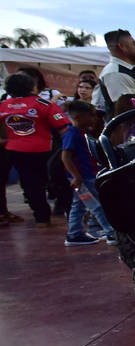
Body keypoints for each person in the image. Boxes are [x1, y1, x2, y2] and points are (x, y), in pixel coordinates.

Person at [0, 72, 69, 227]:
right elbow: (63, 128)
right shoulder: (44, 104)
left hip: (15, 151)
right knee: (55, 180)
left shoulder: (3, 105)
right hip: (43, 150)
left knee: (30, 184)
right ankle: (68, 213)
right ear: (32, 86)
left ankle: (42, 218)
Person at [60, 99, 115, 246]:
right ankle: (110, 232)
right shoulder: (72, 134)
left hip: (86, 176)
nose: (93, 118)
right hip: (83, 178)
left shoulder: (82, 133)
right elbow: (65, 157)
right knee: (96, 205)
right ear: (78, 117)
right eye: (90, 115)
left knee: (79, 206)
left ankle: (75, 233)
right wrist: (77, 176)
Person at [97, 29, 135, 144]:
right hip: (132, 142)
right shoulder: (116, 73)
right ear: (122, 47)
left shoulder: (130, 71)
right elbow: (129, 114)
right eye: (134, 44)